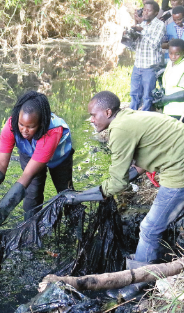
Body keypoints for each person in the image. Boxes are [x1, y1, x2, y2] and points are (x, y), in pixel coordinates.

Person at [63, 91, 184, 301]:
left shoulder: (119, 130)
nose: (91, 119)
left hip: (179, 169)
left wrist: (77, 197)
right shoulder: (128, 118)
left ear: (108, 112)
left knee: (150, 229)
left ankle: (139, 284)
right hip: (177, 157)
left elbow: (117, 183)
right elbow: (136, 168)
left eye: (93, 115)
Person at [0, 90, 73, 227]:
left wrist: (4, 208)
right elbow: (0, 162)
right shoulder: (11, 125)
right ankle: (30, 227)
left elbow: (27, 175)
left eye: (30, 127)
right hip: (29, 152)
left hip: (59, 157)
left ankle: (73, 222)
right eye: (21, 125)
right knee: (32, 192)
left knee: (64, 191)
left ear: (41, 124)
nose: (24, 130)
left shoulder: (52, 131)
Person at [130, 1, 165, 111]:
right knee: (134, 94)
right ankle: (132, 117)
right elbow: (134, 47)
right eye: (144, 9)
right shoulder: (141, 24)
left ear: (156, 13)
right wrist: (129, 38)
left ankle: (145, 120)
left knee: (147, 97)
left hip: (150, 67)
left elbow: (154, 44)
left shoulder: (160, 25)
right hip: (137, 65)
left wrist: (142, 31)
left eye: (148, 10)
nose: (145, 12)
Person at [158, 39, 184, 119]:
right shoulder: (170, 64)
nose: (173, 57)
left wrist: (166, 99)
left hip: (180, 112)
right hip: (168, 110)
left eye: (177, 54)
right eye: (170, 53)